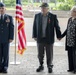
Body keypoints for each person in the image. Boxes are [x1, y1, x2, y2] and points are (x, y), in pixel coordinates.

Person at [32, 3, 61, 73]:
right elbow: (34, 26)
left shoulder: (53, 16)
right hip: (40, 38)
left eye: (44, 8)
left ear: (48, 9)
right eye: (42, 8)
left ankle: (49, 66)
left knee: (49, 54)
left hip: (49, 38)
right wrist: (34, 35)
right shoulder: (37, 16)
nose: (43, 9)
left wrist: (59, 35)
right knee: (40, 54)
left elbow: (57, 27)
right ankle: (41, 65)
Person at [61, 6, 76, 74]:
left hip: (74, 41)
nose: (70, 12)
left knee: (74, 55)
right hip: (69, 40)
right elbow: (67, 29)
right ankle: (71, 68)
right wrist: (61, 36)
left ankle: (75, 69)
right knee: (70, 54)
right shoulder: (70, 19)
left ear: (75, 12)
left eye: (72, 11)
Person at [0, 3, 14, 73]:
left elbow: (11, 28)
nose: (1, 10)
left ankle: (5, 67)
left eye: (2, 8)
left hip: (6, 39)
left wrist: (11, 37)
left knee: (5, 54)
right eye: (0, 8)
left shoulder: (9, 17)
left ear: (5, 9)